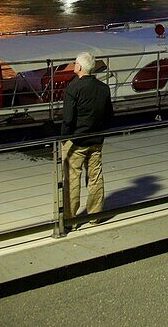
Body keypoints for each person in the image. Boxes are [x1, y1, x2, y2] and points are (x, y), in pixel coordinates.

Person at [62, 51, 113, 227]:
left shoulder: (73, 88)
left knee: (72, 177)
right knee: (95, 176)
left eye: (75, 62)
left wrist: (64, 139)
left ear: (80, 67)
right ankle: (95, 215)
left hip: (77, 140)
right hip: (97, 139)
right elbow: (109, 115)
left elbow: (68, 118)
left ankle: (71, 219)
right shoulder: (103, 88)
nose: (74, 65)